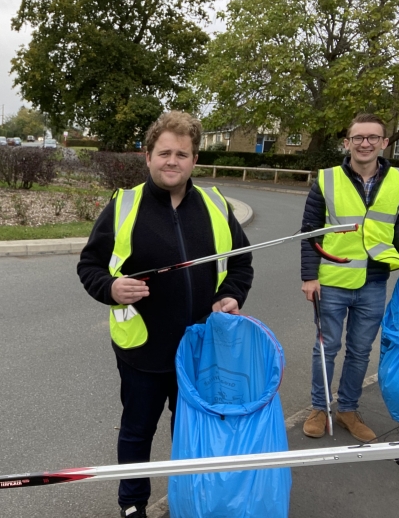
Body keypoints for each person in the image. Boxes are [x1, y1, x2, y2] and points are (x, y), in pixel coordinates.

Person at [77, 111, 254, 518]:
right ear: (148, 156)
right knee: (138, 431)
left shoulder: (215, 205)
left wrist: (231, 295)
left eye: (182, 154)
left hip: (200, 349)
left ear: (194, 160)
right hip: (143, 350)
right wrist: (111, 288)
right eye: (164, 152)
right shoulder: (124, 206)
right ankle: (132, 504)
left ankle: (187, 498)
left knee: (190, 433)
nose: (172, 161)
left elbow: (241, 265)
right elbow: (90, 266)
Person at [300, 112, 399, 443]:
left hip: (373, 282)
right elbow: (310, 233)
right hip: (333, 279)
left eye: (372, 137)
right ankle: (319, 407)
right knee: (326, 348)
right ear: (347, 143)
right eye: (358, 137)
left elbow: (395, 225)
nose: (365, 143)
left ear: (384, 143)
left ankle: (348, 409)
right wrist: (308, 277)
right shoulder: (327, 179)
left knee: (360, 350)